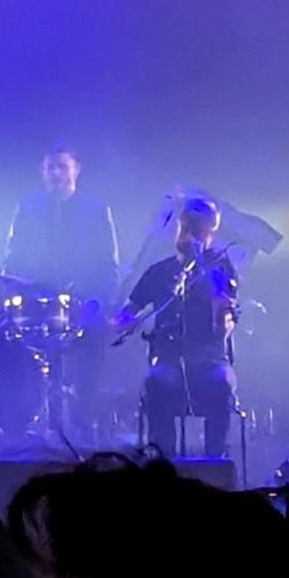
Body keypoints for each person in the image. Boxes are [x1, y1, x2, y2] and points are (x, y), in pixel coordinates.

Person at [114, 195, 241, 462]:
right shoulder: (159, 271)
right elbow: (127, 312)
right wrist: (120, 322)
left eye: (198, 229)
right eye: (185, 227)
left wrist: (220, 308)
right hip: (168, 358)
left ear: (211, 233)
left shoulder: (221, 269)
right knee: (156, 382)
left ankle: (214, 465)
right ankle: (163, 468)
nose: (189, 234)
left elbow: (223, 327)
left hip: (208, 359)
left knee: (220, 384)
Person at [5, 144, 118, 438]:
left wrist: (96, 302)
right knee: (9, 342)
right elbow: (13, 258)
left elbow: (109, 265)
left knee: (93, 351)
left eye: (62, 167)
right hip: (38, 303)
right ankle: (25, 423)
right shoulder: (28, 209)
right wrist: (17, 288)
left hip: (84, 302)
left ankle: (84, 423)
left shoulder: (95, 210)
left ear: (76, 169)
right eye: (50, 168)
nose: (56, 174)